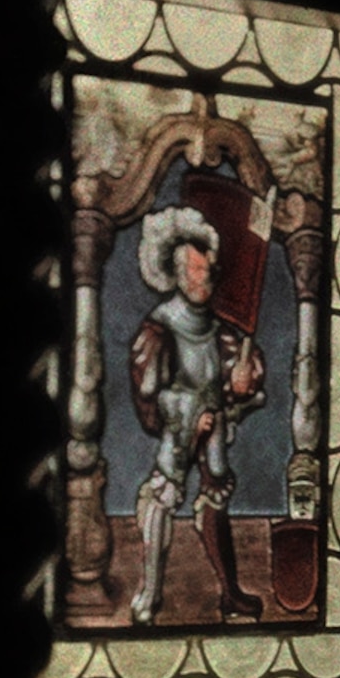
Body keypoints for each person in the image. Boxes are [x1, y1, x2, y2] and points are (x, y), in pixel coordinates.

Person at [128, 204, 267, 624]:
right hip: (180, 430)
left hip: (213, 430)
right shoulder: (160, 329)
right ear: (176, 273)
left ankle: (230, 594)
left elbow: (230, 381)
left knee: (215, 501)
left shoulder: (221, 331)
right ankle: (149, 596)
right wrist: (192, 415)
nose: (203, 275)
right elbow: (148, 396)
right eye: (194, 269)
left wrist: (240, 383)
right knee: (162, 497)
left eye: (206, 268)